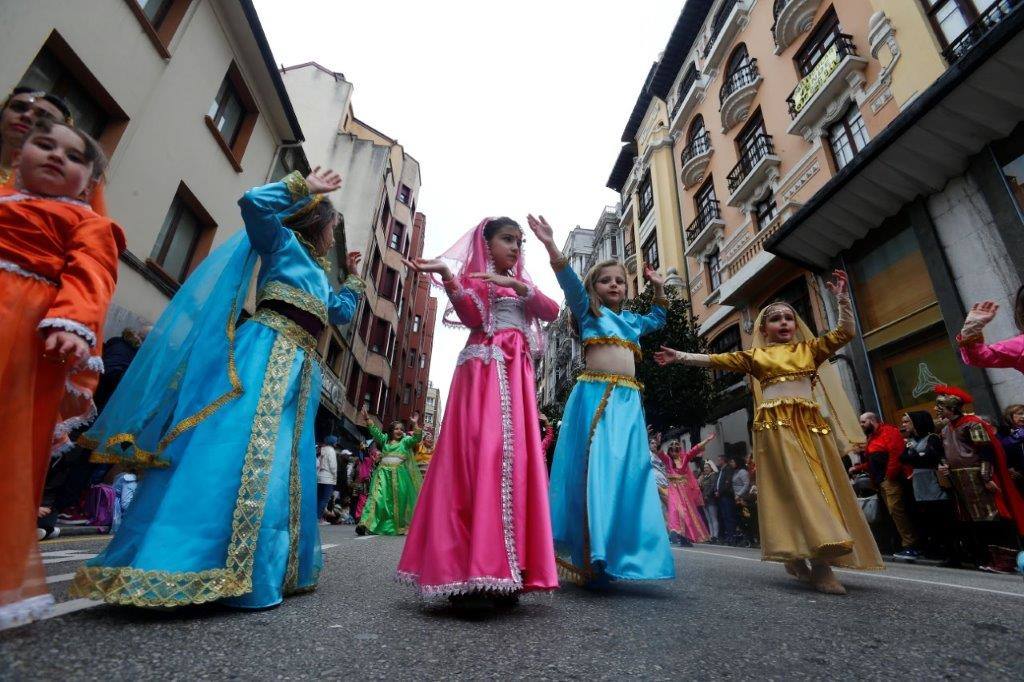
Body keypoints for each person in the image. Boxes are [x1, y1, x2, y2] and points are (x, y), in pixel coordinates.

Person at [70, 167, 363, 609]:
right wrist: (303, 186)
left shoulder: (321, 274)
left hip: (301, 367)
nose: (331, 240)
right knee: (238, 448)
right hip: (265, 349)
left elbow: (337, 314)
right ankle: (191, 560)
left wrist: (355, 279)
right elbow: (252, 203)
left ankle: (258, 567)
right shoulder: (281, 242)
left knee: (280, 462)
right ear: (314, 222)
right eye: (331, 229)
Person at [656, 270, 883, 595]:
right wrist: (680, 356)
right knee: (790, 492)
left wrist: (843, 299)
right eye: (775, 319)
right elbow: (717, 359)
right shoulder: (757, 357)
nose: (784, 323)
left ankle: (821, 562)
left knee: (819, 490)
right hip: (777, 434)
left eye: (789, 317)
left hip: (810, 431)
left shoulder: (811, 350)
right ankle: (800, 555)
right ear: (763, 328)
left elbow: (845, 331)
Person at [396, 217, 559, 604]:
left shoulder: (522, 285)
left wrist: (518, 287)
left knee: (513, 464)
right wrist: (449, 278)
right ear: (486, 244)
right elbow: (472, 318)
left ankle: (508, 570)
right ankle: (470, 570)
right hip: (484, 373)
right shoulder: (477, 279)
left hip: (513, 375)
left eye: (520, 242)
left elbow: (551, 311)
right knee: (476, 460)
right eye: (507, 239)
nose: (516, 247)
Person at [0, 118, 122, 627]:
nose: (55, 156)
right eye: (43, 144)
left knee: (9, 441)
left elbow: (93, 273)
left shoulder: (88, 224)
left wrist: (73, 321)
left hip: (28, 332)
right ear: (18, 152)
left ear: (89, 179)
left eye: (73, 156)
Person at [535, 215, 674, 586]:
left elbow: (659, 317)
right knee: (597, 468)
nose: (614, 284)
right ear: (594, 288)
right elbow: (569, 285)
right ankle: (592, 553)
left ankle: (616, 552)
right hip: (596, 397)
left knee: (628, 472)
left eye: (620, 280)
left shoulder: (632, 322)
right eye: (605, 279)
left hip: (628, 402)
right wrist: (551, 246)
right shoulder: (588, 313)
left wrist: (659, 287)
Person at [934, 385, 1024, 572]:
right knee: (975, 519)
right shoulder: (945, 428)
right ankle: (988, 557)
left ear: (952, 407)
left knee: (993, 516)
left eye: (941, 407)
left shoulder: (972, 423)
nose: (937, 410)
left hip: (977, 475)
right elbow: (948, 452)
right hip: (960, 479)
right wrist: (945, 466)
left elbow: (986, 450)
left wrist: (986, 477)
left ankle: (1006, 560)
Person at [852, 412, 917, 559]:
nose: (861, 425)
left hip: (889, 480)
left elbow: (895, 455)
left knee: (896, 510)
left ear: (872, 420)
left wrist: (889, 476)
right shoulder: (872, 437)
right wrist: (858, 468)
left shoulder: (888, 432)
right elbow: (872, 461)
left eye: (863, 422)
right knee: (890, 512)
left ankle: (910, 544)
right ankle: (898, 543)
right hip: (881, 481)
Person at [899, 411, 955, 562]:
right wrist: (919, 456)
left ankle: (950, 551)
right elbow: (903, 457)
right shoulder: (911, 440)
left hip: (932, 479)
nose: (904, 425)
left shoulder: (932, 438)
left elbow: (931, 456)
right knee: (927, 517)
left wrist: (916, 457)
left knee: (940, 516)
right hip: (919, 481)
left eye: (907, 422)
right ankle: (934, 548)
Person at [356, 411, 423, 536]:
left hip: (400, 477)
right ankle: (364, 523)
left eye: (401, 429)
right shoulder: (385, 440)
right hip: (382, 474)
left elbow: (417, 438)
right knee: (375, 498)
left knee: (398, 503)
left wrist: (415, 424)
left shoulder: (405, 441)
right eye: (396, 429)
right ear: (391, 431)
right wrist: (367, 419)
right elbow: (376, 432)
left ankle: (395, 525)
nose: (398, 431)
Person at [662, 437, 714, 546]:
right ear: (670, 451)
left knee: (687, 514)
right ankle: (678, 533)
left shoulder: (684, 458)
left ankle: (685, 537)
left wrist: (707, 440)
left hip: (684, 492)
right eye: (672, 450)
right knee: (677, 511)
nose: (675, 452)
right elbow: (659, 453)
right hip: (674, 490)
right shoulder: (668, 460)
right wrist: (656, 443)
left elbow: (694, 450)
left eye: (677, 450)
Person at [999, 405, 1024, 496]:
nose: (1023, 416)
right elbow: (1002, 454)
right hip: (1018, 475)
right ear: (1010, 416)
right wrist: (1010, 469)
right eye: (1020, 414)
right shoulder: (1003, 435)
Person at [713, 454, 738, 545]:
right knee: (723, 517)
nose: (717, 461)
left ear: (723, 460)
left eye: (719, 460)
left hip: (726, 496)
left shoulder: (728, 469)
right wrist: (716, 490)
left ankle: (732, 536)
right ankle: (727, 536)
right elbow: (717, 481)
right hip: (719, 496)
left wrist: (720, 491)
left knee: (729, 516)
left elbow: (727, 482)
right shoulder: (720, 470)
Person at [349, 441, 377, 521]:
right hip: (366, 482)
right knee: (363, 499)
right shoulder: (366, 459)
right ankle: (359, 516)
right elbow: (363, 474)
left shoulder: (367, 459)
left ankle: (363, 516)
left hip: (369, 480)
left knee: (364, 499)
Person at [317, 436, 340, 524]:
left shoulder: (322, 450)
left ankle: (316, 517)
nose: (336, 443)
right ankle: (319, 518)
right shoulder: (331, 450)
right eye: (335, 441)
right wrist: (335, 476)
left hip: (320, 477)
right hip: (328, 478)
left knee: (319, 498)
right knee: (324, 499)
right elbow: (333, 465)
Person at [699, 460, 720, 542]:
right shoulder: (704, 477)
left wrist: (707, 495)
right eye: (704, 468)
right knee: (708, 519)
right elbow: (701, 488)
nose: (705, 469)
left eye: (707, 467)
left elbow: (712, 487)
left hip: (711, 499)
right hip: (704, 499)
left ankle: (716, 535)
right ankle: (711, 535)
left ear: (711, 468)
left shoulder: (713, 475)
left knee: (713, 517)